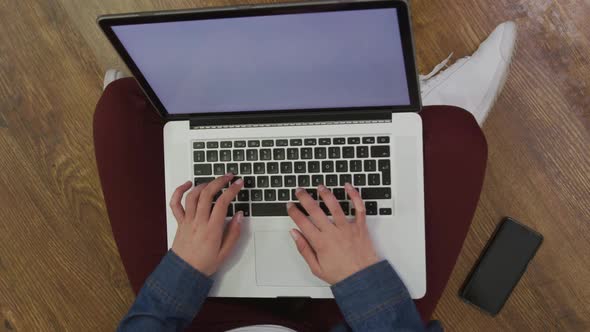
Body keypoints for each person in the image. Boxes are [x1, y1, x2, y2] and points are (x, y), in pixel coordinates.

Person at [94, 22, 516, 331]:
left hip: (203, 318)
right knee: (458, 137)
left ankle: (395, 127)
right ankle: (407, 118)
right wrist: (361, 278)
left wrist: (183, 270)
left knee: (120, 108)